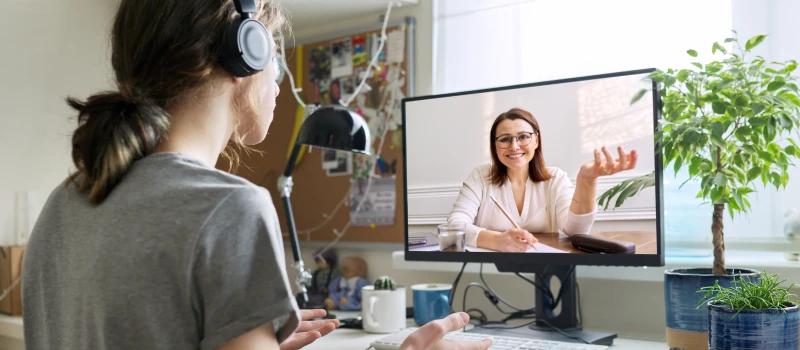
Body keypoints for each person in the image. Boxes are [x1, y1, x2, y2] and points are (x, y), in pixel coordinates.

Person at [21, 0, 492, 349]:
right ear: (244, 55)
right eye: (278, 63)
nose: (279, 84)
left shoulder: (64, 204)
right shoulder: (228, 207)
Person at [448, 108, 638, 253]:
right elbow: (454, 225)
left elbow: (575, 230)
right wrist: (498, 240)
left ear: (536, 141)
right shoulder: (481, 176)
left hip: (544, 270)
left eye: (523, 137)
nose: (514, 146)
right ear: (495, 146)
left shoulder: (556, 178)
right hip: (488, 270)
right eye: (505, 139)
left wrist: (586, 181)